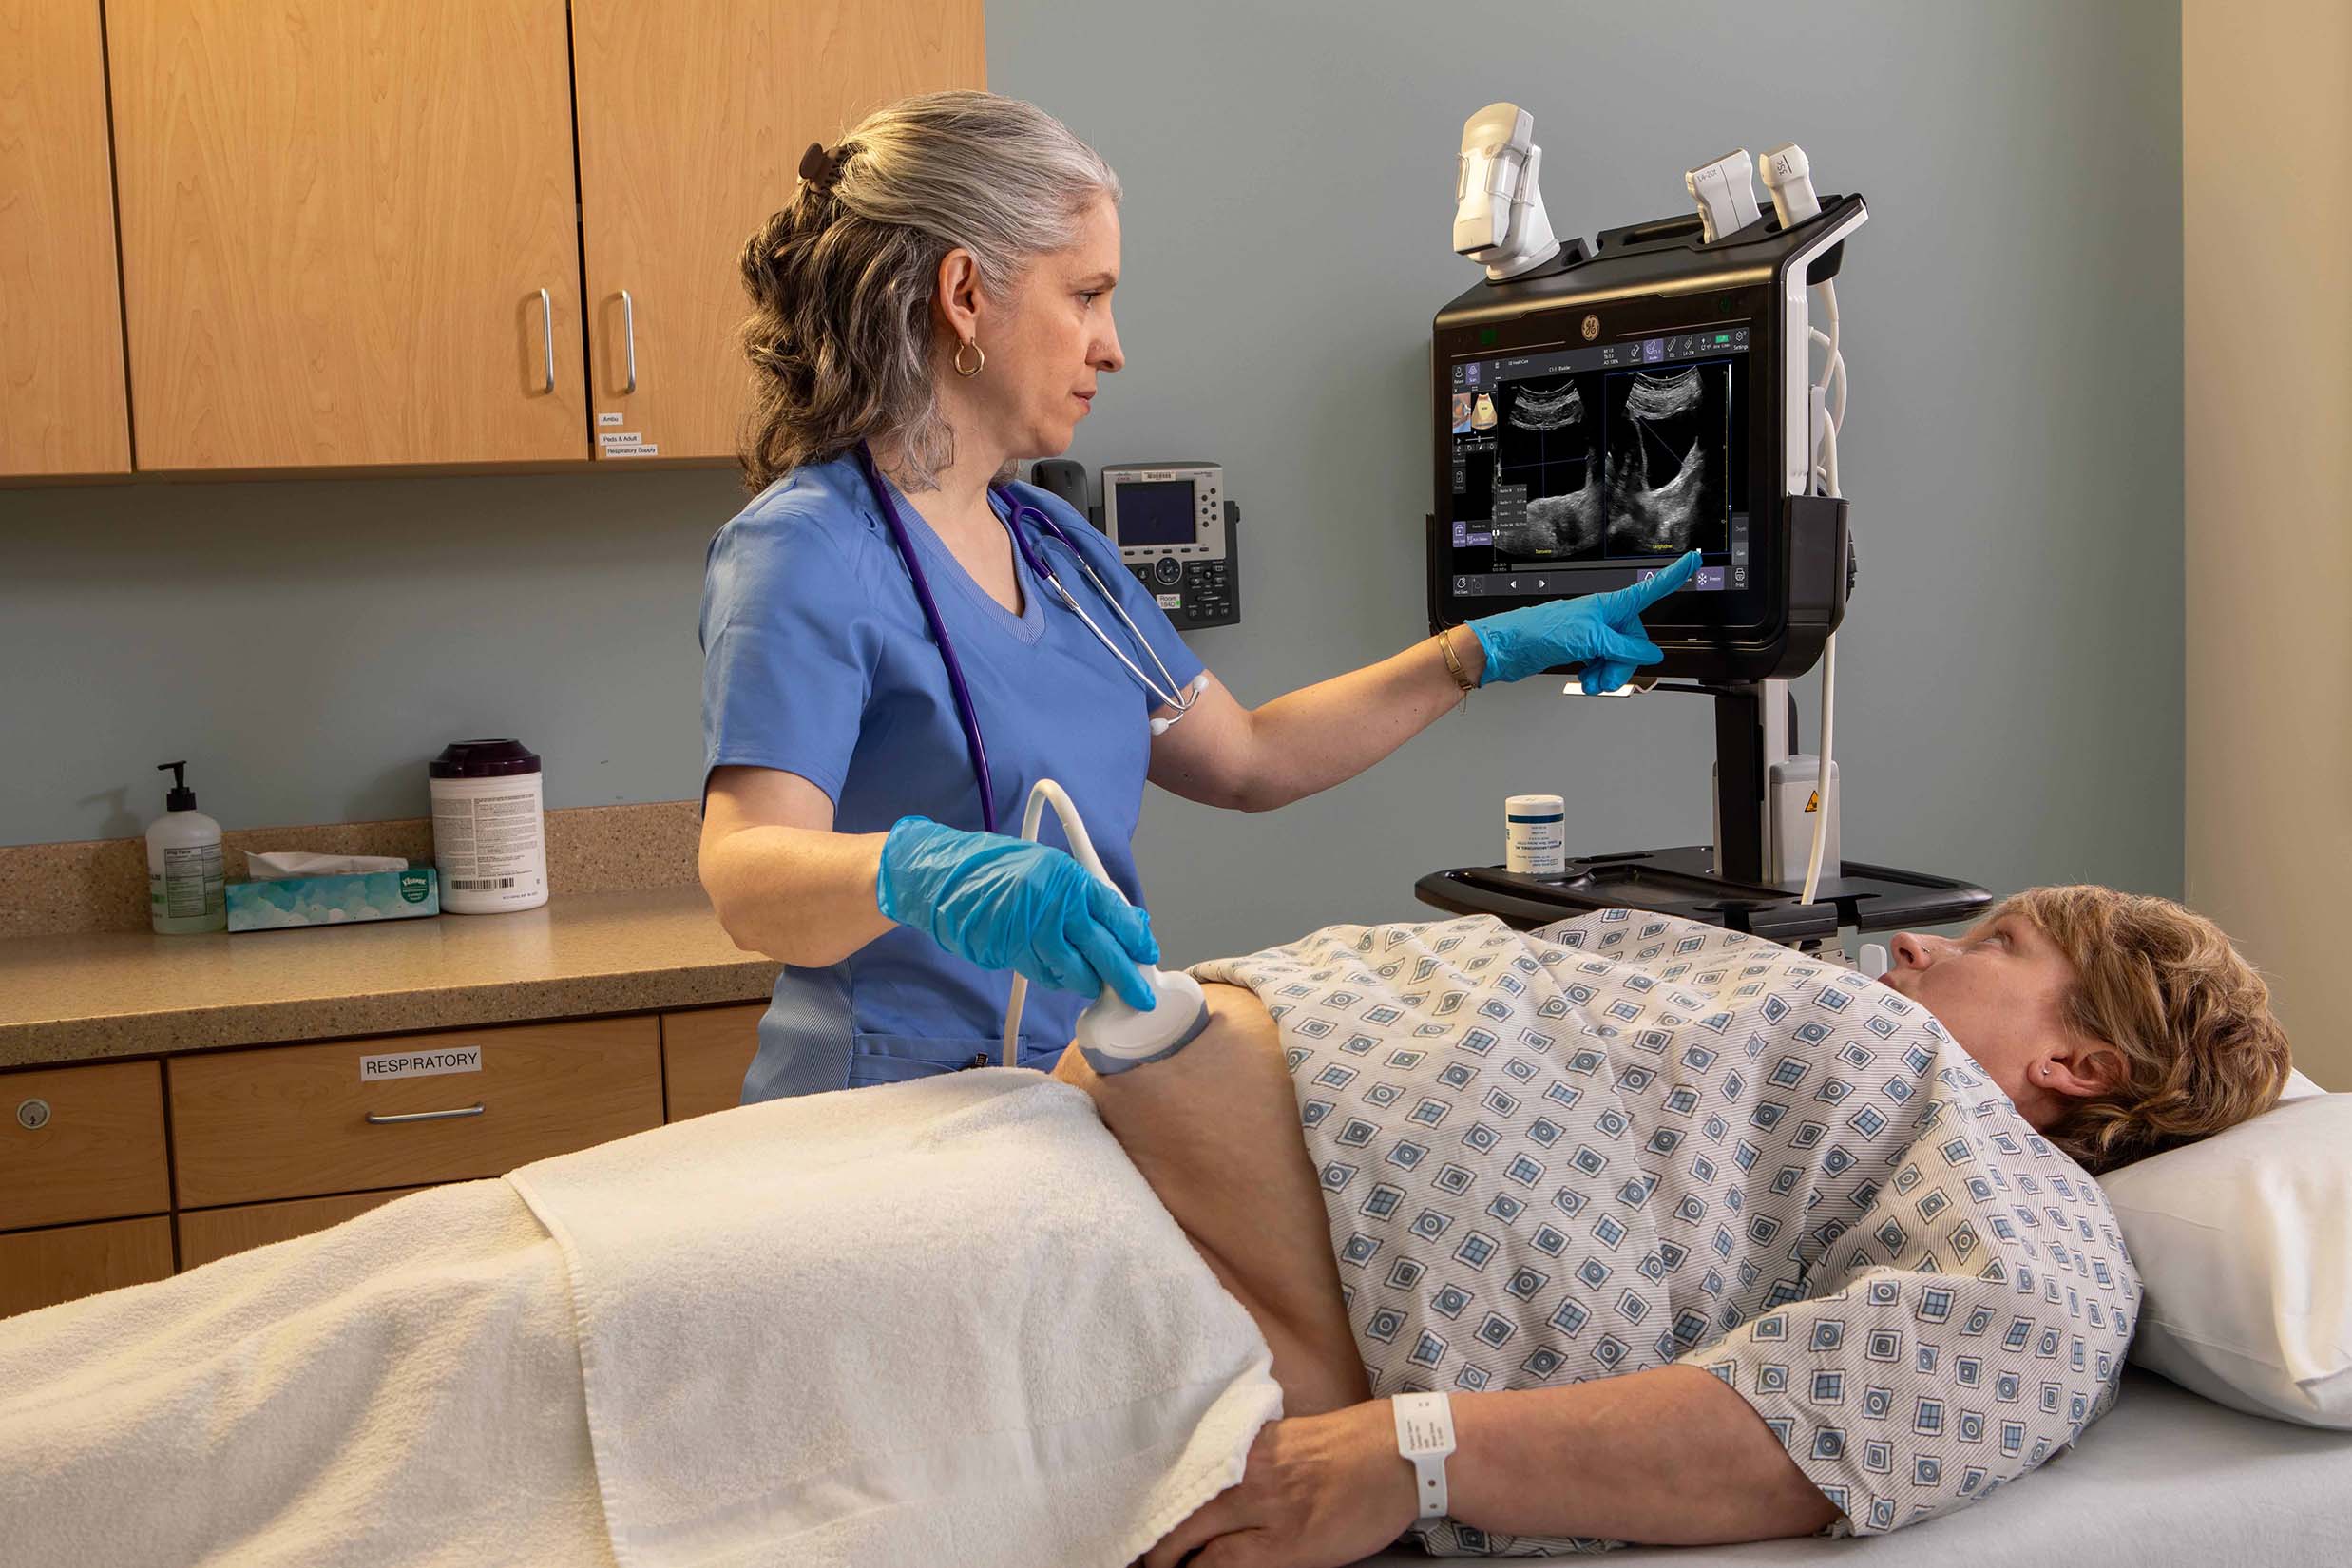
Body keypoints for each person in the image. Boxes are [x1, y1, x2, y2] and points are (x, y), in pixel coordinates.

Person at [698, 89, 1699, 1099]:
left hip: (1059, 1097)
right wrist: (922, 873)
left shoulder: (1054, 546)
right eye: (1085, 295)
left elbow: (1249, 757)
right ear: (964, 294)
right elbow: (745, 879)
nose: (1111, 345)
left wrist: (1480, 651)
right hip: (876, 1115)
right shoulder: (807, 549)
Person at [1049, 886, 2292, 1563]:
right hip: (1159, 1138)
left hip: (1279, 1252)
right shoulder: (1869, 1064)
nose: (1917, 943)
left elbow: (1826, 1419)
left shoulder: (2046, 1236)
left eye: (1995, 944)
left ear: (2079, 1062)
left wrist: (1412, 1454)